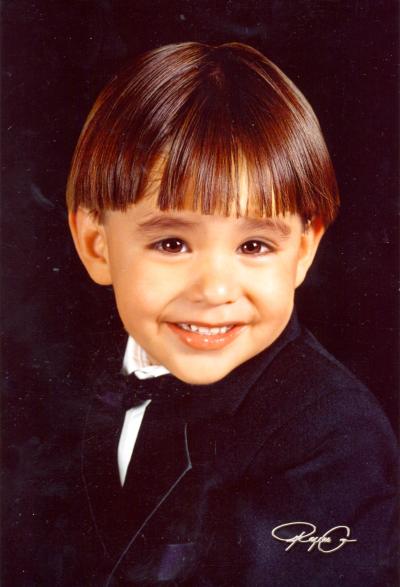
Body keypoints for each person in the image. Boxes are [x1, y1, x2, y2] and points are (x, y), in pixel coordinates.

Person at [63, 42, 396, 586]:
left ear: (304, 252)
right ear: (96, 245)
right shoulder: (60, 386)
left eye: (255, 246)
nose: (216, 290)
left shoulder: (334, 437)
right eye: (172, 244)